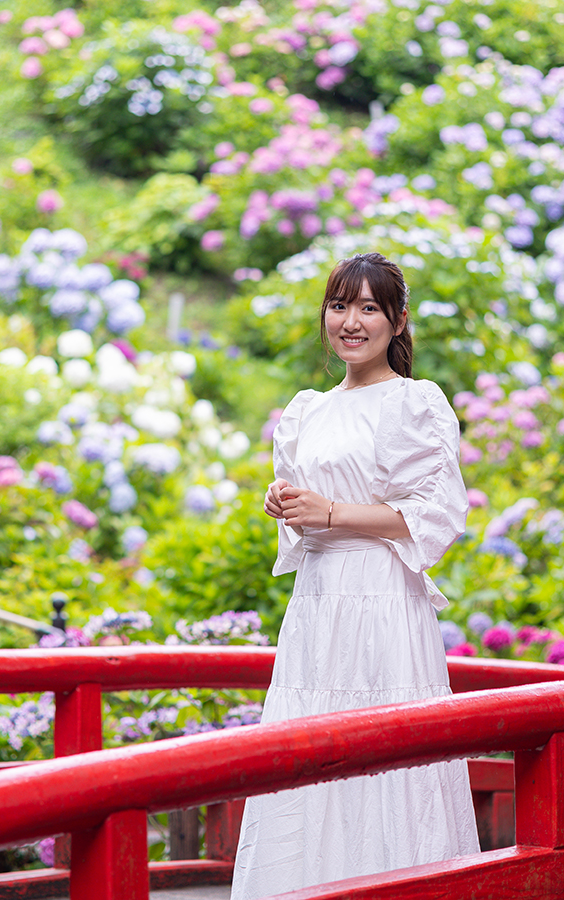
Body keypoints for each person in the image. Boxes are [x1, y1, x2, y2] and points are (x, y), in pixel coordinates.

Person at [230, 252, 480, 898]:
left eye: (369, 308)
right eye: (340, 305)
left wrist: (332, 511)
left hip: (381, 597)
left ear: (398, 322)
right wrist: (286, 506)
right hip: (317, 603)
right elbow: (306, 514)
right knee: (308, 749)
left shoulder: (413, 403)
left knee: (385, 751)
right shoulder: (308, 410)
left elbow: (436, 512)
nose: (351, 321)